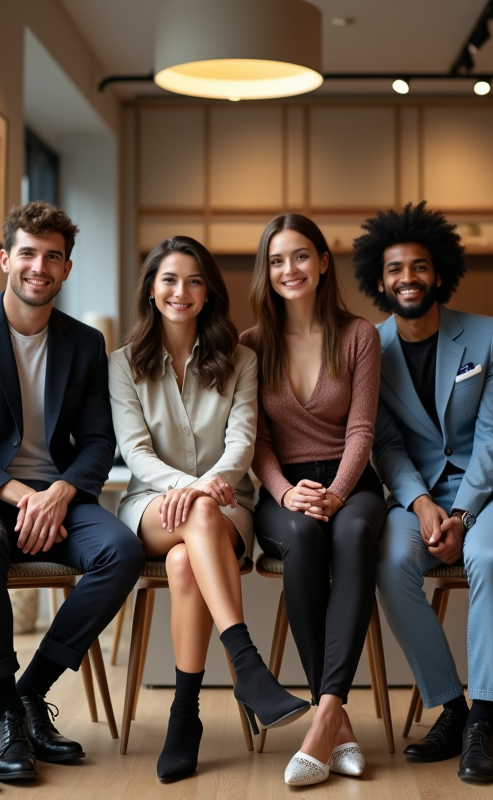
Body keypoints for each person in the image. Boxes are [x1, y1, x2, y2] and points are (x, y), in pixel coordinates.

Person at [0, 201, 145, 783]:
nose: (38, 267)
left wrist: (62, 493)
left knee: (121, 551)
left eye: (53, 257)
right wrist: (23, 496)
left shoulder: (83, 343)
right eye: (27, 253)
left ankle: (29, 692)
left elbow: (100, 442)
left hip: (58, 494)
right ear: (6, 259)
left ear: (66, 269)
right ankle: (2, 712)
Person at [108, 236, 310, 782]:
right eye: (169, 279)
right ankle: (246, 665)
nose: (181, 291)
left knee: (182, 564)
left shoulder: (241, 359)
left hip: (227, 501)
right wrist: (189, 487)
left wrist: (207, 486)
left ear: (209, 293)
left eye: (194, 280)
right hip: (151, 504)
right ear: (151, 289)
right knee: (195, 518)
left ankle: (185, 715)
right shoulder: (123, 364)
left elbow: (242, 444)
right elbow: (135, 452)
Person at [355, 202, 493, 783]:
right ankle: (449, 706)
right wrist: (424, 504)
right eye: (396, 268)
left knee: (484, 555)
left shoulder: (486, 334)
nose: (408, 277)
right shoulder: (367, 348)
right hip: (417, 494)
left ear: (439, 272)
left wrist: (460, 511)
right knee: (394, 559)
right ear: (379, 281)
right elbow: (385, 443)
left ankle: (482, 720)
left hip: (492, 491)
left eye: (420, 266)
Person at [240, 213, 386, 787]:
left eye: (301, 256)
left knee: (351, 534)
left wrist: (336, 494)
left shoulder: (360, 336)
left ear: (323, 262)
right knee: (301, 535)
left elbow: (361, 431)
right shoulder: (252, 344)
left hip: (353, 486)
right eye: (277, 260)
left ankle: (323, 717)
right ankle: (339, 723)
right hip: (284, 486)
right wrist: (286, 493)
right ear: (266, 271)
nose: (289, 269)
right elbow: (256, 442)